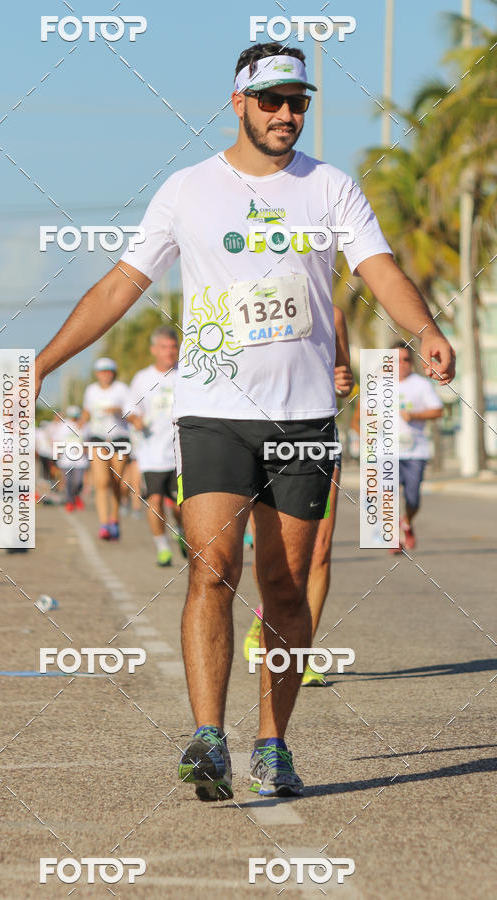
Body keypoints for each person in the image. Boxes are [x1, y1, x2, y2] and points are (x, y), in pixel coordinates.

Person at [35, 42, 455, 801]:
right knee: (211, 567)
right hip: (215, 412)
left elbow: (379, 268)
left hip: (303, 418)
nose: (286, 114)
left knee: (286, 588)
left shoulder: (329, 187)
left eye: (298, 102)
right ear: (238, 104)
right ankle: (206, 737)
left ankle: (272, 744)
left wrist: (421, 328)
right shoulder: (189, 190)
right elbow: (120, 285)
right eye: (271, 101)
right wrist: (41, 361)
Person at [243, 306, 354, 687]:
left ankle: (300, 652)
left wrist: (344, 380)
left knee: (320, 548)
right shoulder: (249, 302)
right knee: (273, 549)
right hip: (258, 437)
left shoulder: (333, 313)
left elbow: (345, 378)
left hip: (316, 438)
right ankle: (269, 615)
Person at [125, 326, 188, 566]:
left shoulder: (184, 374)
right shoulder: (143, 378)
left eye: (173, 347)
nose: (169, 352)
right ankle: (162, 546)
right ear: (154, 350)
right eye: (164, 347)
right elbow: (130, 409)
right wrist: (136, 419)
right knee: (155, 500)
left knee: (182, 506)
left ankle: (181, 532)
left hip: (181, 453)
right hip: (152, 453)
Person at [395, 340, 443, 551]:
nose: (402, 363)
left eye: (406, 359)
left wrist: (413, 415)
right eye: (397, 360)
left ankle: (406, 521)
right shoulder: (376, 385)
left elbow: (437, 411)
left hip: (416, 451)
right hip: (384, 452)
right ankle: (394, 538)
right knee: (386, 495)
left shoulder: (421, 385)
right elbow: (359, 417)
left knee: (413, 499)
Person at [80, 358, 131, 540]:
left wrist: (117, 410)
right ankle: (103, 524)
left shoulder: (122, 389)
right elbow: (87, 410)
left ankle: (114, 519)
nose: (105, 374)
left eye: (109, 371)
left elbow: (131, 412)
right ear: (97, 373)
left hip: (119, 438)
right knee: (101, 482)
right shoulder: (91, 390)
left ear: (114, 372)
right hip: (98, 438)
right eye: (102, 371)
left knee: (116, 481)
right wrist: (80, 424)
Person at [52, 405, 88, 512]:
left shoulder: (84, 426)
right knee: (68, 482)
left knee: (78, 482)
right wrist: (57, 454)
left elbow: (87, 441)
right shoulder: (63, 426)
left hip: (81, 460)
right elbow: (56, 440)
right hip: (66, 459)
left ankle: (76, 496)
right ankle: (69, 501)